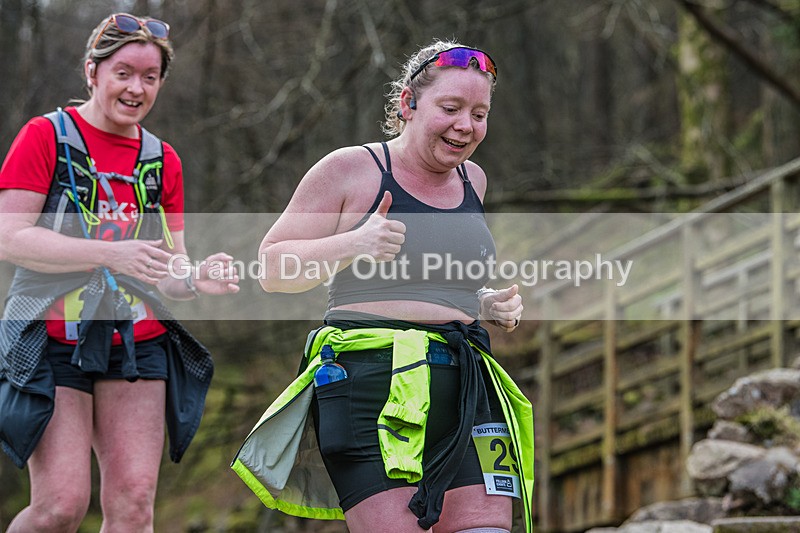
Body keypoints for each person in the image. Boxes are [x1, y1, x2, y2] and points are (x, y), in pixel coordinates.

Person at [232, 40, 534, 532]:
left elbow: (427, 281)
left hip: (467, 385)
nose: (466, 126)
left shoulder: (473, 180)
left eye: (480, 114)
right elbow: (271, 268)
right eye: (451, 108)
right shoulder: (350, 169)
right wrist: (354, 244)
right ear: (408, 105)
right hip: (371, 388)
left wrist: (483, 304)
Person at [0, 13, 239, 532]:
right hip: (51, 338)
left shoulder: (162, 160)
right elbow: (10, 238)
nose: (136, 88)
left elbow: (167, 263)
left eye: (150, 77)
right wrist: (107, 254)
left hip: (137, 341)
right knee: (60, 507)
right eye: (123, 72)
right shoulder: (45, 137)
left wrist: (195, 277)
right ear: (92, 71)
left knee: (133, 506)